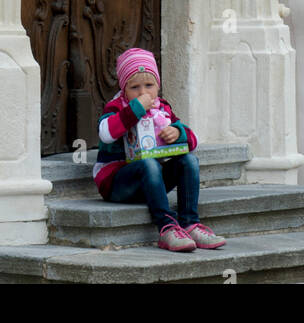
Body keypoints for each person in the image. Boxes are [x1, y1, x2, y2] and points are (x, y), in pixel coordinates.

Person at [93, 46, 227, 252]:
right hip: (119, 185)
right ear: (123, 89)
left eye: (149, 85)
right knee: (147, 164)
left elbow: (194, 140)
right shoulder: (116, 107)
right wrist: (135, 109)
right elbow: (106, 133)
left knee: (189, 160)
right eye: (135, 88)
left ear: (157, 86)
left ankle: (190, 223)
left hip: (152, 181)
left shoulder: (162, 108)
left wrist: (177, 132)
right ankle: (167, 227)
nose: (143, 93)